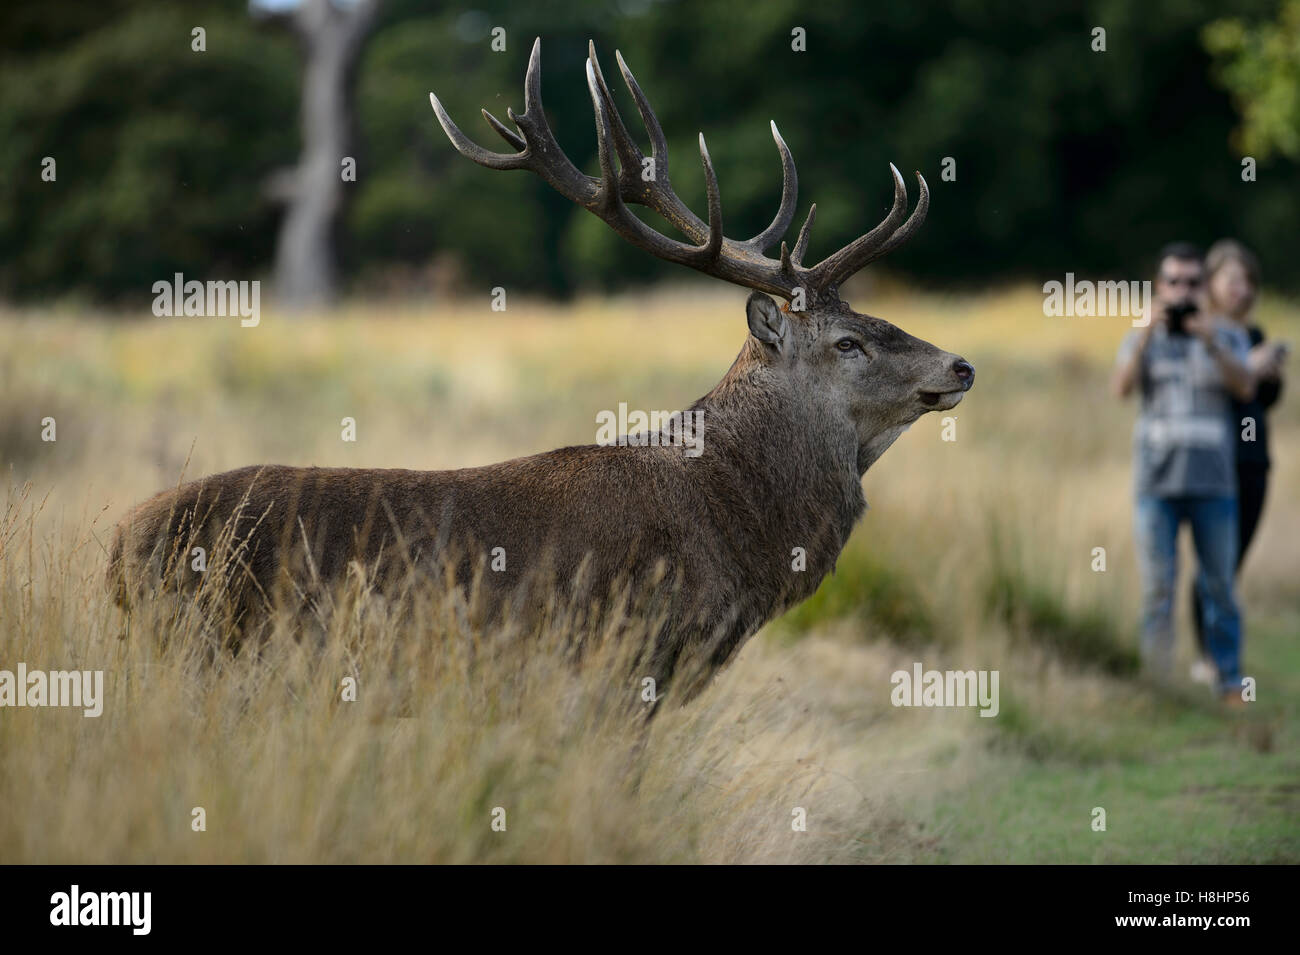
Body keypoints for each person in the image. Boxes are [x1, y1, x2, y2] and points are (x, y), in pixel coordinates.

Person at [1111, 242, 1255, 704]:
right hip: (1156, 484)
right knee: (1158, 590)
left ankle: (1229, 682)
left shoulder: (1226, 335)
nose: (1183, 290)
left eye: (1193, 282)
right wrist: (1146, 335)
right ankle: (1159, 688)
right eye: (1174, 281)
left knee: (1219, 586)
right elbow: (1121, 389)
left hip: (1214, 484)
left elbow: (1246, 385)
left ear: (1203, 288)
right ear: (1160, 286)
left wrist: (1208, 339)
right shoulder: (1141, 336)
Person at [1189, 240, 1288, 682]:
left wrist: (1270, 372)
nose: (1242, 289)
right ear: (1211, 284)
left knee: (1232, 564)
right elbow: (1207, 390)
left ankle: (1218, 657)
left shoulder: (1255, 334)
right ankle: (1210, 660)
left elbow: (1262, 400)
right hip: (1213, 462)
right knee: (1214, 565)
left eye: (1248, 281)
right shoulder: (1200, 334)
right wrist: (1248, 364)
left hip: (1253, 463)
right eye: (1233, 280)